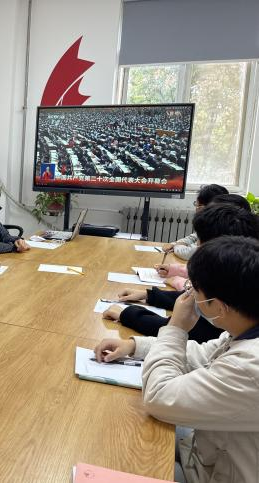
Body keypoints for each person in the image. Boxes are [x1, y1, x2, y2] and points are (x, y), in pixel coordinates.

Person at [94, 236, 259, 483]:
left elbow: (158, 397)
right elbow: (202, 354)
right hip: (207, 451)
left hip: (212, 473)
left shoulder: (249, 367)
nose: (189, 295)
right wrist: (136, 345)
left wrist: (176, 327)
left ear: (220, 307)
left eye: (194, 291)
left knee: (117, 447)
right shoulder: (244, 329)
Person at [104, 203, 259, 342]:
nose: (197, 248)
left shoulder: (226, 316)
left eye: (200, 244)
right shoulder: (240, 275)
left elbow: (184, 330)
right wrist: (149, 295)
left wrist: (128, 315)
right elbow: (193, 299)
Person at [155, 194, 253, 289]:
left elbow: (208, 292)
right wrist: (175, 270)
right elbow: (205, 273)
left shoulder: (241, 266)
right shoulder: (234, 252)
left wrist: (182, 283)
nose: (198, 244)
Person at [162, 184, 228, 260]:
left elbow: (190, 253)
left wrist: (176, 246)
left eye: (198, 205)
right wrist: (175, 244)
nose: (196, 208)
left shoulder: (219, 225)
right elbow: (194, 237)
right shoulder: (220, 219)